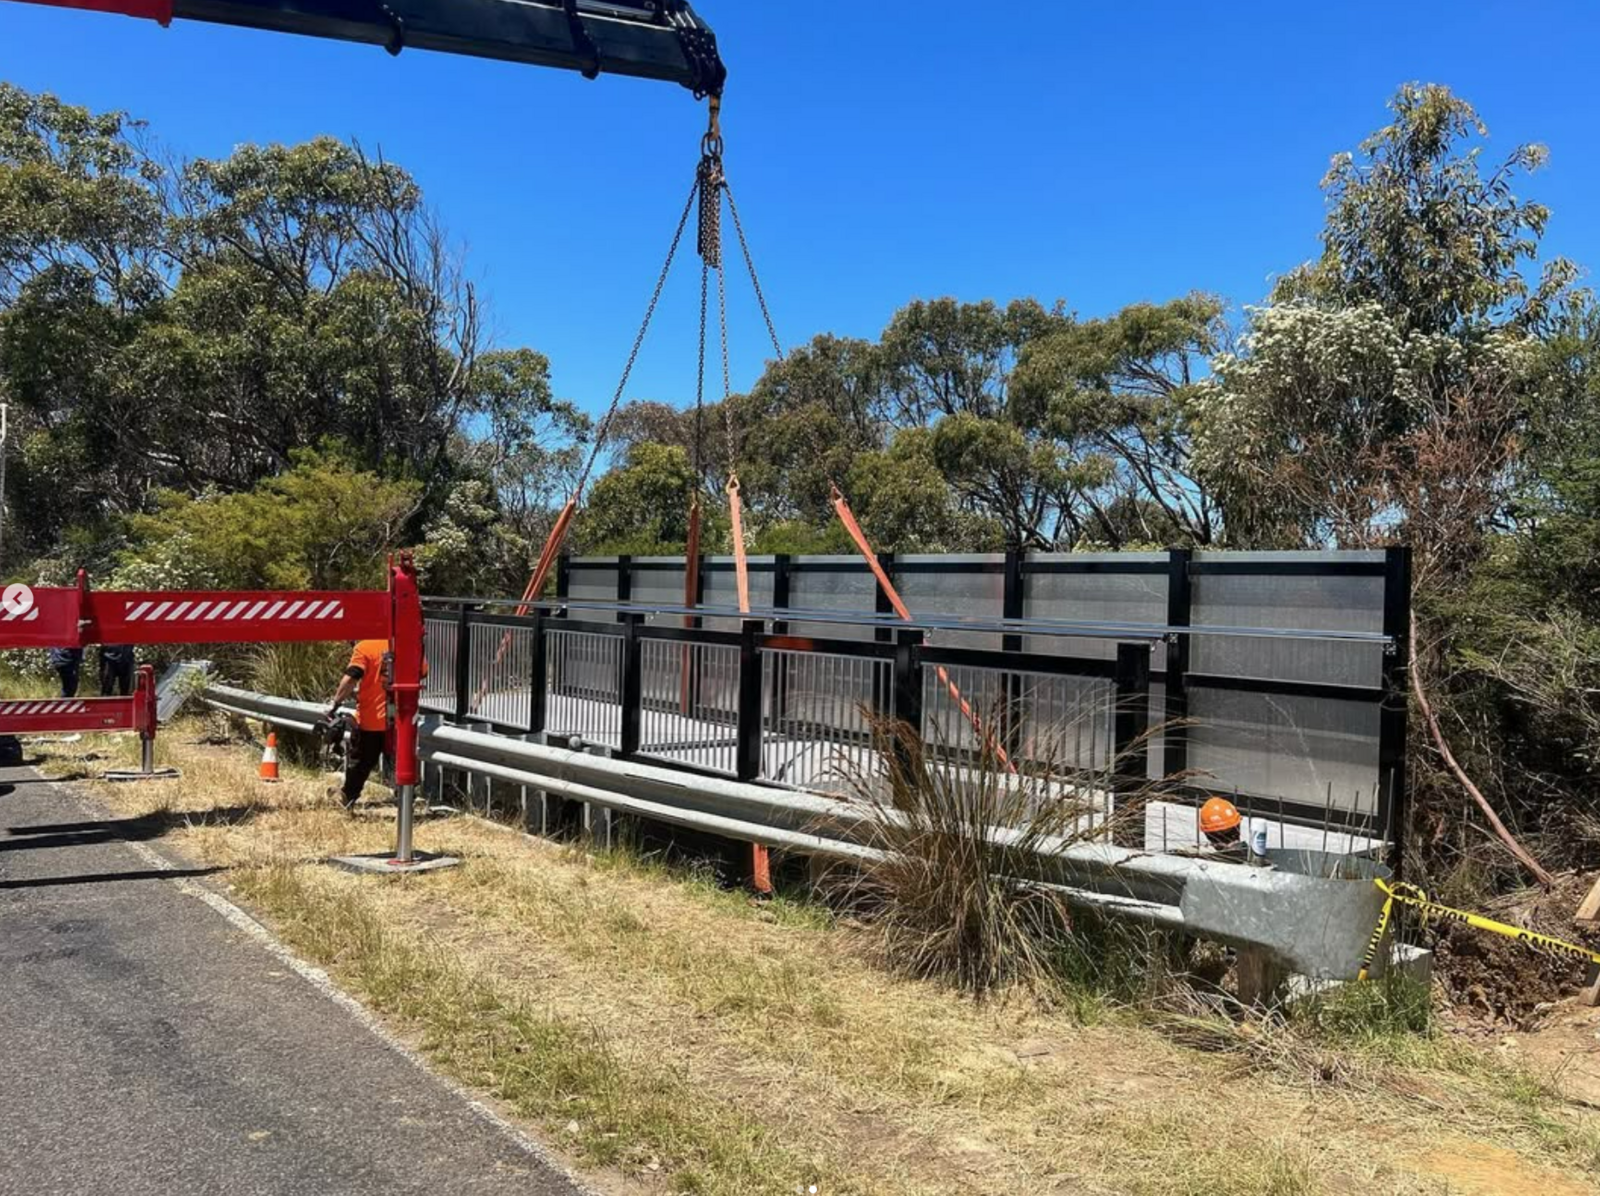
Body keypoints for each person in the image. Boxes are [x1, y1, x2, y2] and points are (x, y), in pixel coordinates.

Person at [326, 638, 426, 813]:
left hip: (371, 719)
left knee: (361, 763)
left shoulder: (365, 647)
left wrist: (335, 703)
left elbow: (352, 677)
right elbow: (423, 671)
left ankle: (347, 796)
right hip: (401, 721)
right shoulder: (408, 644)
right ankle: (408, 802)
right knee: (400, 762)